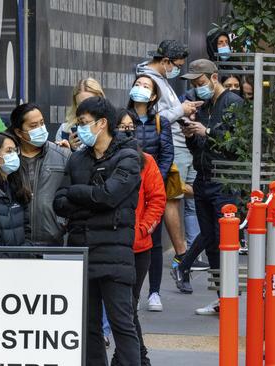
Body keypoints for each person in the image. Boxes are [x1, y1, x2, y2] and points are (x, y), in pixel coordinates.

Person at [54, 97, 142, 366]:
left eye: (83, 123)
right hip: (81, 251)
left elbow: (110, 196)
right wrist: (91, 200)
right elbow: (59, 202)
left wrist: (79, 194)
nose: (79, 129)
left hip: (115, 254)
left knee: (121, 324)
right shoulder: (78, 159)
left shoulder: (128, 156)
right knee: (88, 325)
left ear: (102, 123)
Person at [136, 40, 204, 309]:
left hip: (174, 147)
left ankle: (181, 259)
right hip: (169, 150)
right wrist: (182, 111)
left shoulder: (162, 80)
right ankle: (182, 256)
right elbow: (160, 117)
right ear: (165, 61)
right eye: (176, 65)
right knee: (172, 200)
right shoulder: (149, 80)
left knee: (181, 200)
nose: (177, 70)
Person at [175, 59, 243, 314]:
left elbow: (236, 143)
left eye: (200, 82)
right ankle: (220, 297)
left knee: (221, 238)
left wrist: (208, 131)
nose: (197, 87)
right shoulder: (202, 107)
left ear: (214, 77)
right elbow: (200, 147)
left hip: (224, 180)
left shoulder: (233, 103)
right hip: (203, 179)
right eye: (194, 84)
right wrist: (192, 136)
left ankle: (224, 293)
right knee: (212, 240)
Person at [112, 112, 167, 366]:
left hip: (137, 247)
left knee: (127, 307)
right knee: (123, 309)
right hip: (109, 245)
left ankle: (135, 358)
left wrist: (143, 229)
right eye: (121, 127)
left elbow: (157, 199)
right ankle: (135, 357)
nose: (126, 131)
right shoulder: (102, 160)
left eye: (130, 127)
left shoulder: (146, 161)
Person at [126, 75, 175, 308]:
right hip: (126, 185)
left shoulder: (160, 121)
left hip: (152, 187)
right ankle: (130, 290)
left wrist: (156, 179)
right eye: (138, 84)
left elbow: (167, 154)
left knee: (153, 241)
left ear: (154, 95)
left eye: (146, 86)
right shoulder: (124, 119)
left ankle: (154, 291)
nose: (140, 89)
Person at [8, 103, 71, 246]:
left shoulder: (62, 154)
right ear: (19, 132)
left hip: (55, 242)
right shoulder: (9, 159)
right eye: (33, 126)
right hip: (17, 244)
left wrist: (62, 224)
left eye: (41, 123)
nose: (40, 129)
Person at [56, 77, 106, 151]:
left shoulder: (109, 127)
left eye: (90, 102)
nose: (86, 108)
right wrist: (69, 149)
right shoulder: (65, 130)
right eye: (81, 104)